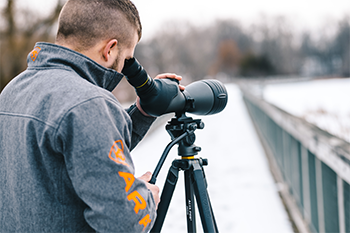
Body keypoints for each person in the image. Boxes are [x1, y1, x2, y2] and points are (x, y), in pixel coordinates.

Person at [0, 0, 183, 232]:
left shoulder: (12, 90)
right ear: (110, 49)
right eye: (127, 59)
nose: (125, 68)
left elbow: (88, 153)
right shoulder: (89, 103)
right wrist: (146, 200)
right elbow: (123, 222)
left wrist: (142, 113)